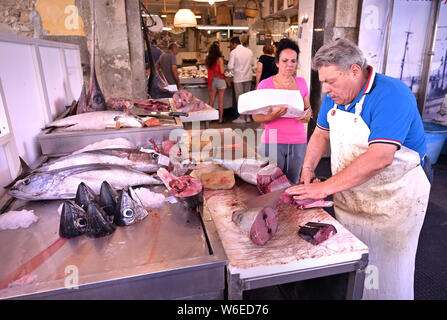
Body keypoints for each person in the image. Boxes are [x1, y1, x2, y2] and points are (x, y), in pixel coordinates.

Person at [286, 38, 431, 300]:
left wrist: (323, 188)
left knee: (386, 271)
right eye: (323, 82)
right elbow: (320, 134)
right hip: (352, 193)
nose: (326, 89)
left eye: (331, 81)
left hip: (394, 199)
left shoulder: (392, 95)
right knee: (352, 263)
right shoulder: (336, 97)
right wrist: (308, 169)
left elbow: (380, 157)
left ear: (355, 71)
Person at [252, 38, 312, 184]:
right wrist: (270, 116)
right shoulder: (265, 85)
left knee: (292, 183)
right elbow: (256, 117)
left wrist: (308, 115)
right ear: (277, 62)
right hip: (272, 141)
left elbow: (308, 110)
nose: (289, 65)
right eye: (285, 61)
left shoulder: (302, 83)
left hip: (298, 141)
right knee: (270, 184)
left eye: (293, 61)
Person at [228, 37, 254, 123]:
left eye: (231, 45)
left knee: (240, 98)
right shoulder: (249, 51)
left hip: (238, 78)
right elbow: (252, 64)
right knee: (247, 98)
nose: (231, 46)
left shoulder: (234, 52)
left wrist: (232, 71)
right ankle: (248, 117)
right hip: (248, 77)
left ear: (234, 44)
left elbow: (230, 66)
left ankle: (242, 118)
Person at [206, 43, 227, 123]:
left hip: (212, 81)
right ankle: (220, 119)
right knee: (220, 101)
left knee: (211, 100)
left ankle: (209, 119)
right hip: (220, 81)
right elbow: (221, 71)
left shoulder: (208, 59)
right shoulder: (220, 59)